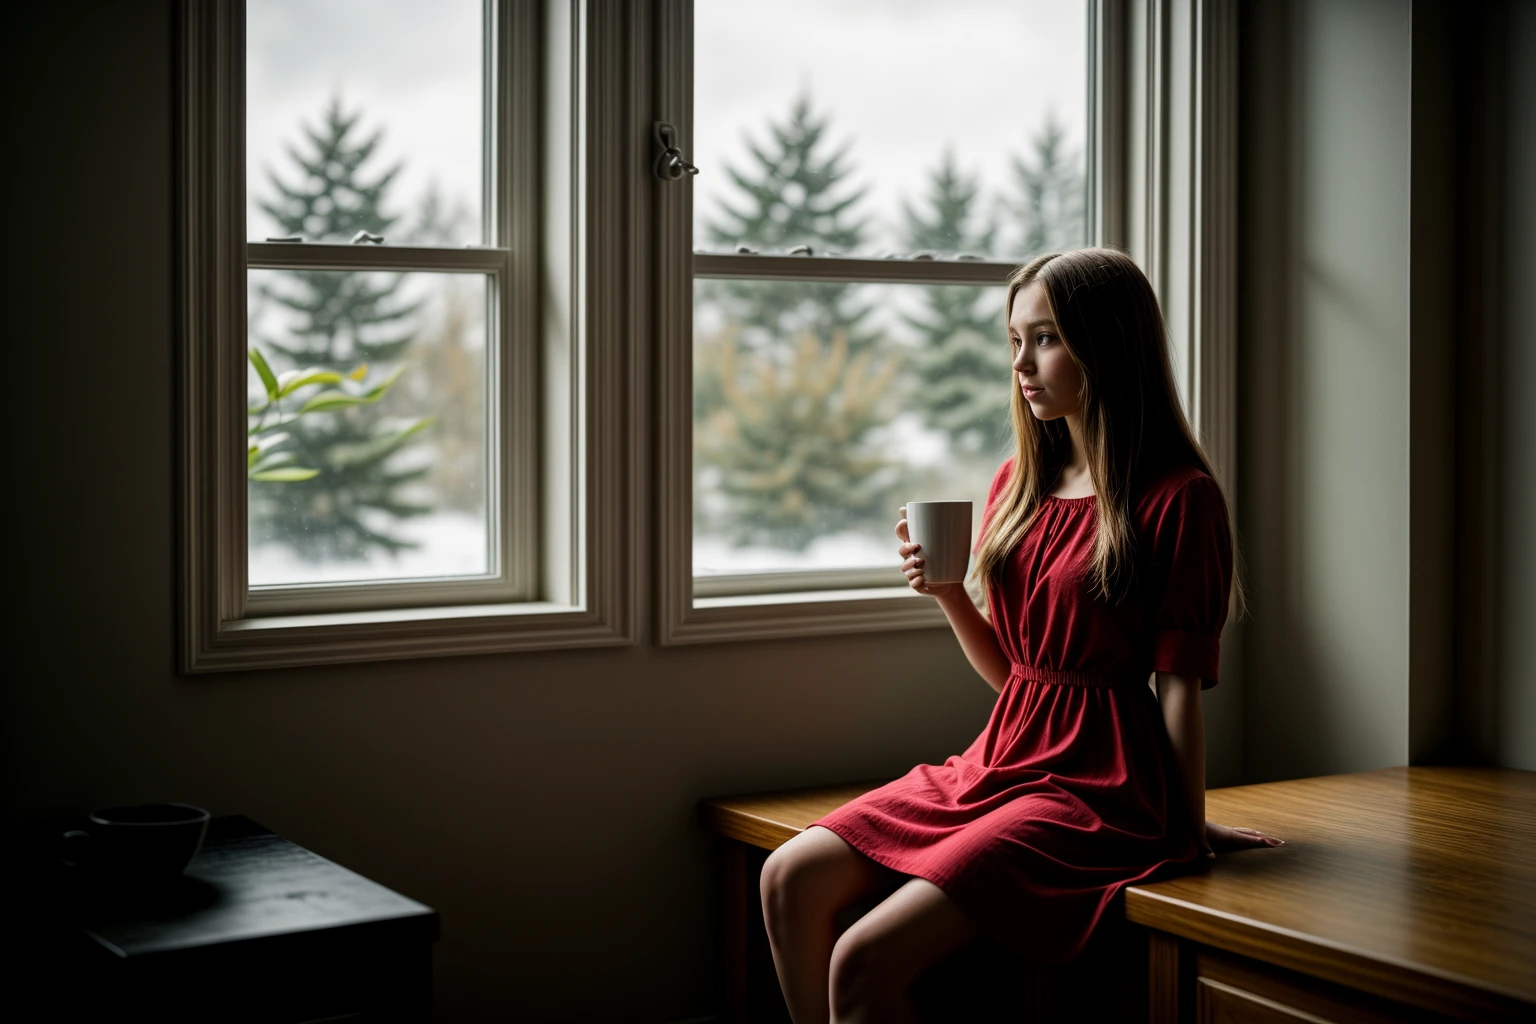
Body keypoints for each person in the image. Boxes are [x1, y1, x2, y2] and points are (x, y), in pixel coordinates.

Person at [758, 247, 1286, 1024]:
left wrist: (1185, 830)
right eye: (1014, 341)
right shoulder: (1020, 484)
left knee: (862, 962)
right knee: (787, 877)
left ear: (1106, 346)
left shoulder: (1181, 499)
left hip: (1098, 790)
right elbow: (1021, 679)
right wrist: (947, 594)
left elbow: (1177, 690)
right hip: (1001, 759)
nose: (1022, 364)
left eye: (1045, 338)